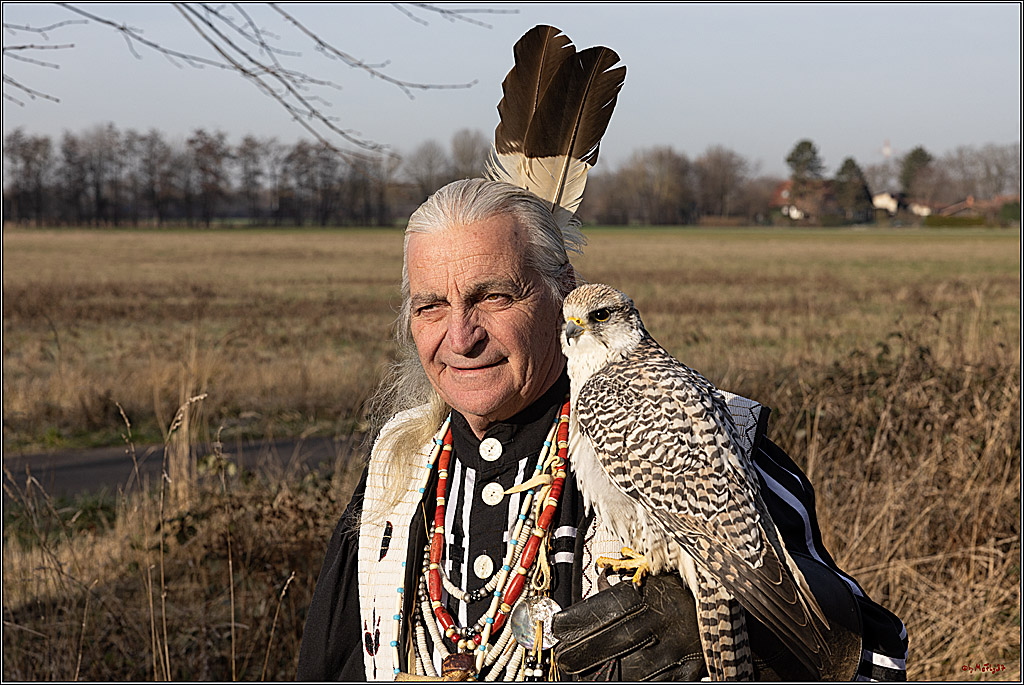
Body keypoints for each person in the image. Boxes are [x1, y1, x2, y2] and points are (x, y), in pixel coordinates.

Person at [296, 178, 909, 681]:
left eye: (494, 297)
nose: (461, 336)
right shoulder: (396, 472)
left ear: (559, 295)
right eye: (431, 306)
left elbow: (873, 664)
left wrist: (749, 646)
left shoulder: (692, 427)